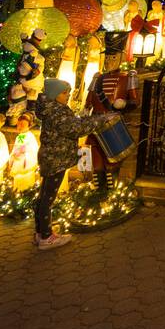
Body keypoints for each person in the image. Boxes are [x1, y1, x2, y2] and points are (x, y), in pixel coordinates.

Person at [32, 78, 120, 250]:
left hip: (52, 157)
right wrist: (101, 120)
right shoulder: (56, 112)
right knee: (47, 198)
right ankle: (46, 237)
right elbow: (75, 129)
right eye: (64, 93)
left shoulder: (52, 108)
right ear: (54, 94)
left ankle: (40, 232)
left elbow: (72, 124)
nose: (67, 96)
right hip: (56, 158)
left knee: (44, 195)